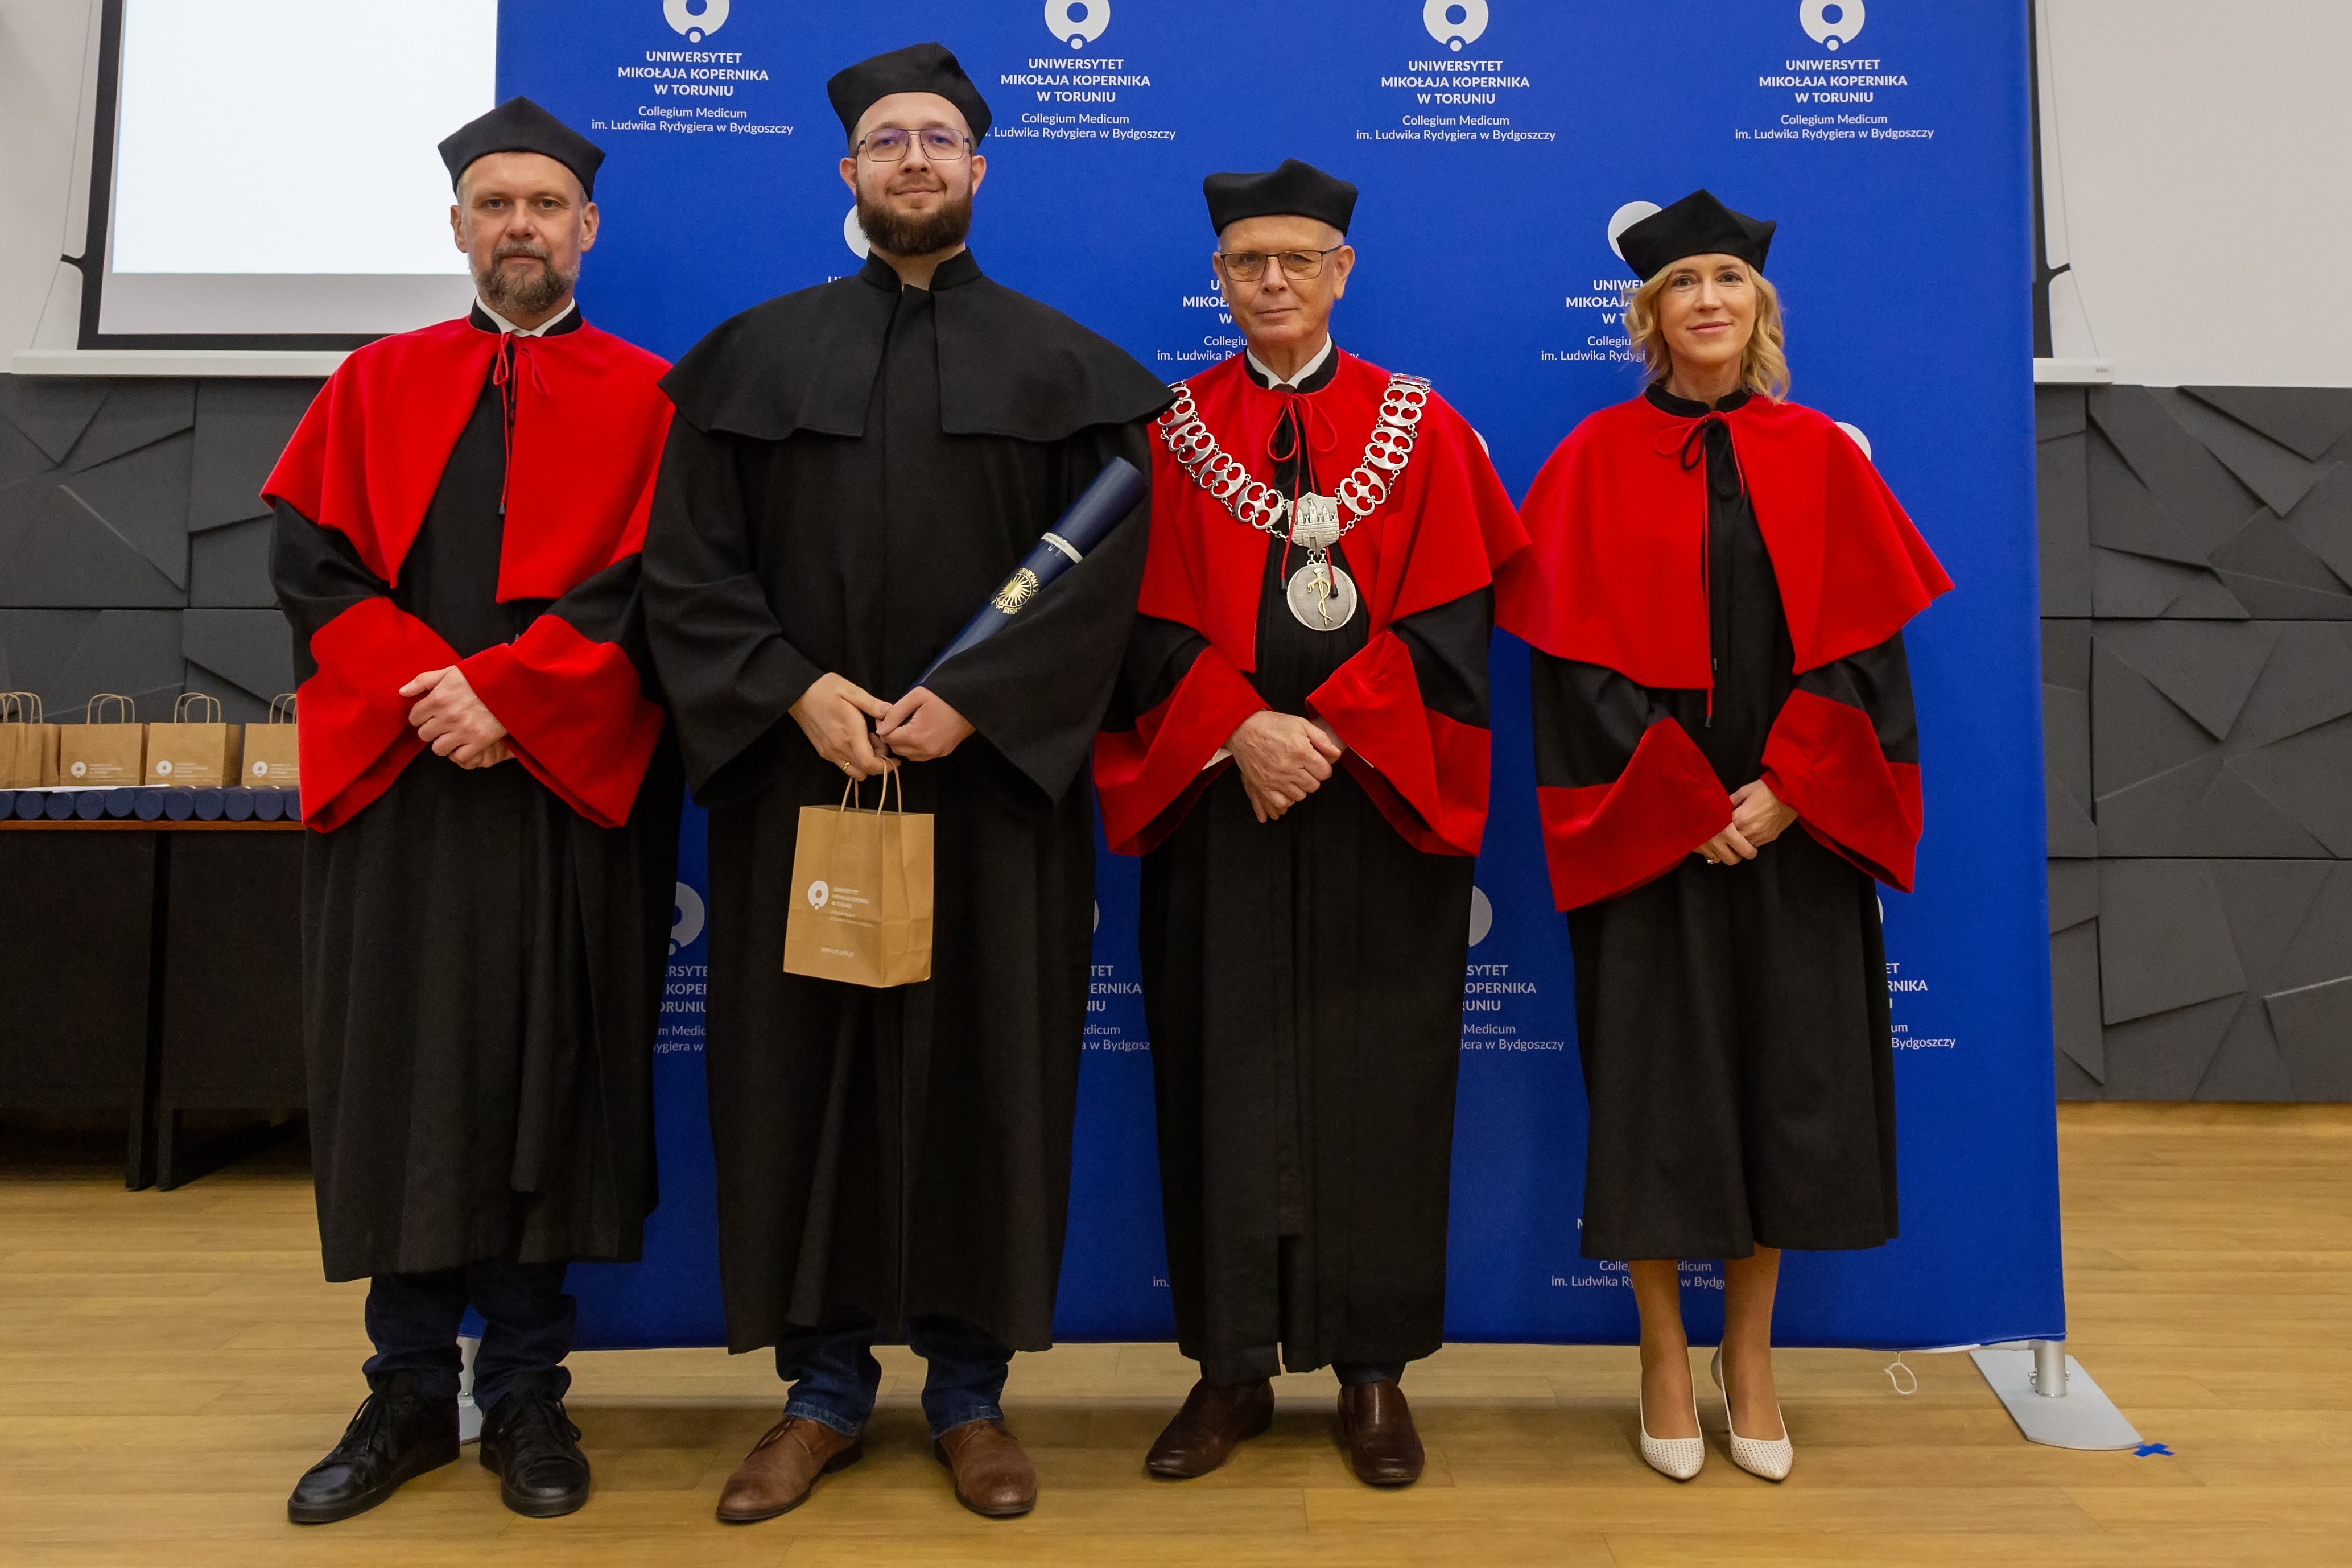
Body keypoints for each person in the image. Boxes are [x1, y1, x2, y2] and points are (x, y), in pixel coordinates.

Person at [640, 42, 1170, 1523]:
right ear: (848, 171)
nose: (915, 159)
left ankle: (967, 1393)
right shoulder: (751, 360)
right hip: (802, 785)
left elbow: (1109, 585)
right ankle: (818, 1390)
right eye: (888, 140)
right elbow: (688, 569)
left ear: (979, 168)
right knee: (798, 1081)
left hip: (991, 795)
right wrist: (791, 690)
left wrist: (982, 702)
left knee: (985, 1084)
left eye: (939, 138)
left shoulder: (1066, 370)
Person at [264, 97, 682, 1524]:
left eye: (544, 204)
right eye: (494, 203)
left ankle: (523, 1390)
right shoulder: (373, 384)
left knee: (545, 1078)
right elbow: (313, 570)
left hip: (563, 794)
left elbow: (658, 590)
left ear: (587, 228)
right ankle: (402, 1389)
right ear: (457, 225)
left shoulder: (653, 399)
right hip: (402, 791)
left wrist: (513, 695)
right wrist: (431, 694)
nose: (519, 225)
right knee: (401, 1073)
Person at [1495, 190, 1951, 1482]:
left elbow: (1866, 652)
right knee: (1652, 1084)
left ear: (1759, 307)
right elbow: (1570, 670)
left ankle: (1748, 1354)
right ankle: (1659, 1349)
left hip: (1792, 829)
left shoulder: (1823, 457)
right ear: (1649, 314)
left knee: (1784, 1080)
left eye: (1728, 280)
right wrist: (1685, 802)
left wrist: (1790, 787)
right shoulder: (1591, 458)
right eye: (1683, 283)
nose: (1707, 299)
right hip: (1652, 832)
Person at [1095, 160, 1525, 1487]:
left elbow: (1456, 622)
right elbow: (1131, 624)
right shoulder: (1167, 431)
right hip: (1220, 800)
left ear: (1343, 271)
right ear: (1218, 279)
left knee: (1382, 1077)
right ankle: (1228, 1368)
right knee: (1218, 1075)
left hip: (1377, 803)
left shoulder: (1423, 428)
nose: (1271, 281)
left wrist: (1330, 729)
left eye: (1297, 259)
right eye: (1247, 263)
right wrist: (1240, 728)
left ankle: (1373, 1368)